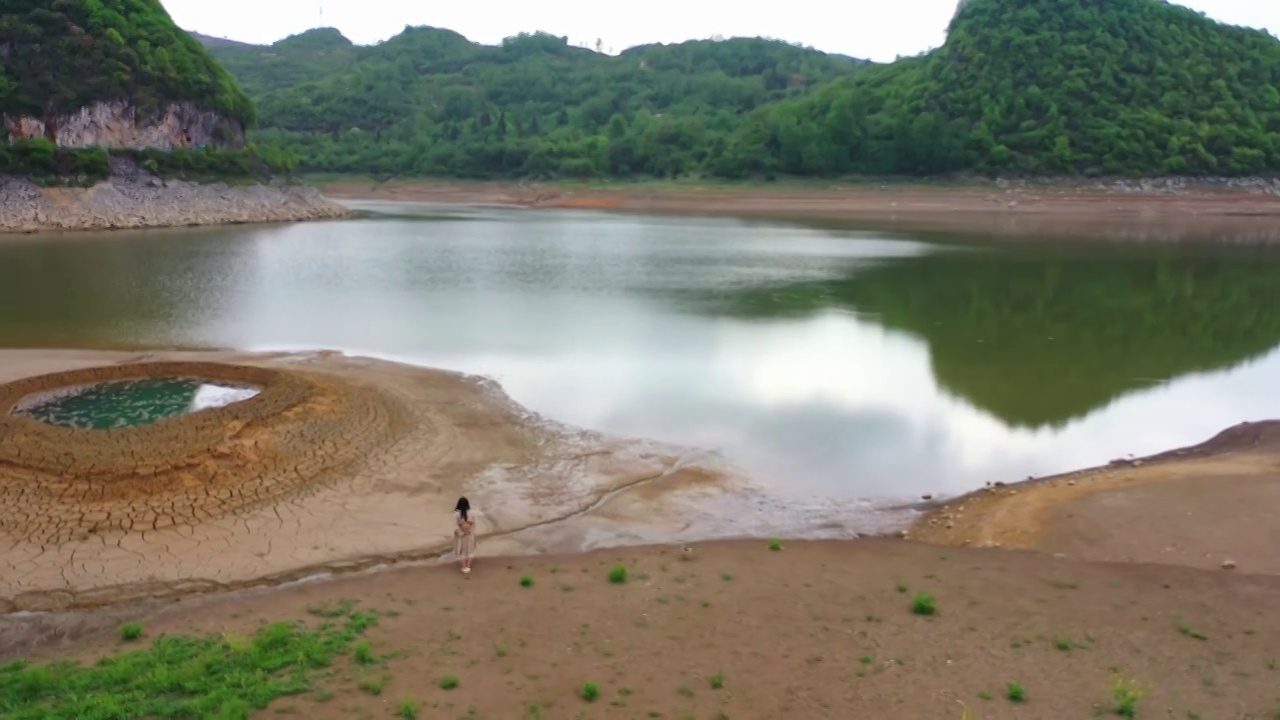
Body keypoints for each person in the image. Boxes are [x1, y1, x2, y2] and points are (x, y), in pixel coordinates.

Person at [453, 497, 476, 574]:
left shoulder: (456, 514)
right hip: (469, 534)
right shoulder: (472, 513)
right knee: (470, 550)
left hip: (461, 536)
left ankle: (464, 566)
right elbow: (474, 523)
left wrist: (461, 532)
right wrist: (469, 531)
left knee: (461, 550)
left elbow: (455, 525)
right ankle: (468, 566)